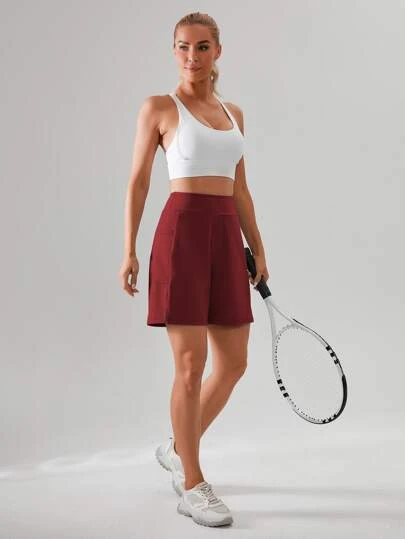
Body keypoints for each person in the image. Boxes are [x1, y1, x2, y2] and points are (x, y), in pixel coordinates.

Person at [119, 11, 269, 528]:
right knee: (190, 364)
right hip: (181, 234)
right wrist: (129, 249)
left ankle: (178, 448)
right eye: (183, 47)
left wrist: (258, 246)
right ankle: (192, 483)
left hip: (225, 236)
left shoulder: (234, 113)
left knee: (233, 363)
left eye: (202, 47)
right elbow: (139, 181)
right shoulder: (159, 108)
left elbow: (240, 187)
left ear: (217, 52)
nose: (191, 56)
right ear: (174, 51)